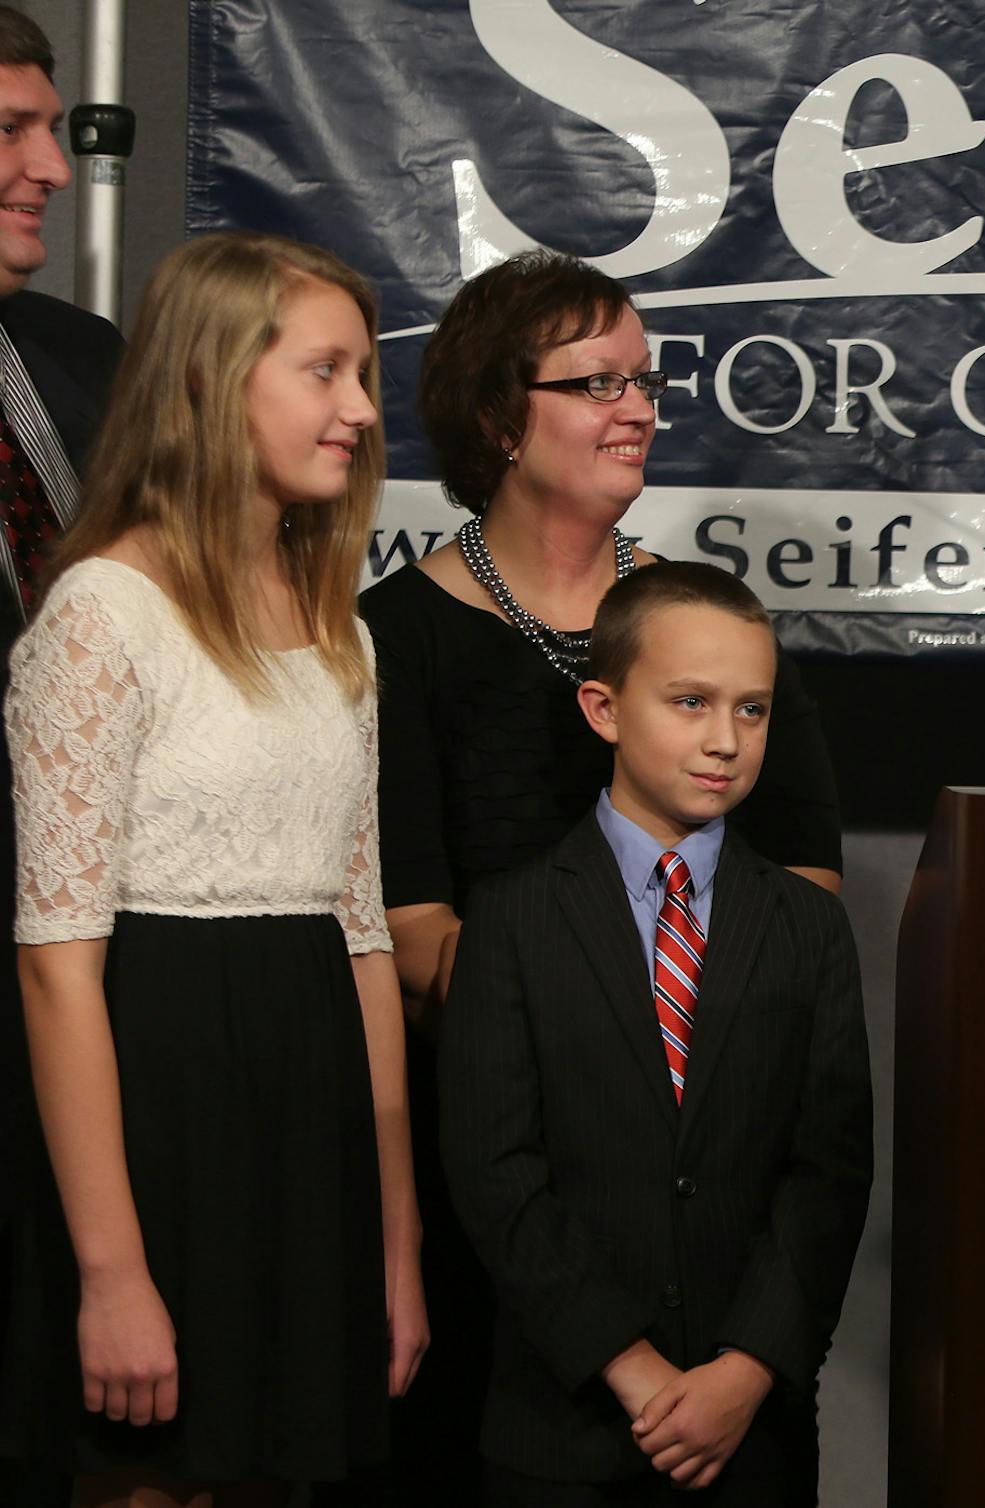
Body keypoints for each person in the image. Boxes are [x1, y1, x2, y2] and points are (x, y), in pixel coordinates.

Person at [357, 251, 843, 1500]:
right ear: (494, 415)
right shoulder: (394, 641)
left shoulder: (707, 631)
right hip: (504, 1206)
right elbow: (410, 931)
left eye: (644, 378)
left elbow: (803, 905)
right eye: (595, 381)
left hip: (720, 1198)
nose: (635, 405)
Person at [4, 232, 426, 1502]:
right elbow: (56, 969)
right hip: (157, 1128)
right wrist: (112, 1270)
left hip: (307, 1132)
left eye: (361, 376)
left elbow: (362, 940)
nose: (359, 408)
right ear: (209, 376)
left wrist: (393, 1239)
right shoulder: (101, 614)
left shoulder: (337, 623)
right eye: (326, 370)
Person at [438, 561, 871, 1507]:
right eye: (690, 702)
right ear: (603, 709)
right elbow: (493, 1168)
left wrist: (745, 1368)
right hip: (561, 1432)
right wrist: (630, 1367)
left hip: (748, 1438)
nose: (725, 741)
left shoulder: (806, 925)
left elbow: (829, 1171)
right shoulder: (511, 921)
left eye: (751, 711)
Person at [0, 12, 124, 1495]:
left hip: (89, 987)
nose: (50, 167)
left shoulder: (87, 362)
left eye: (51, 131)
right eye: (10, 134)